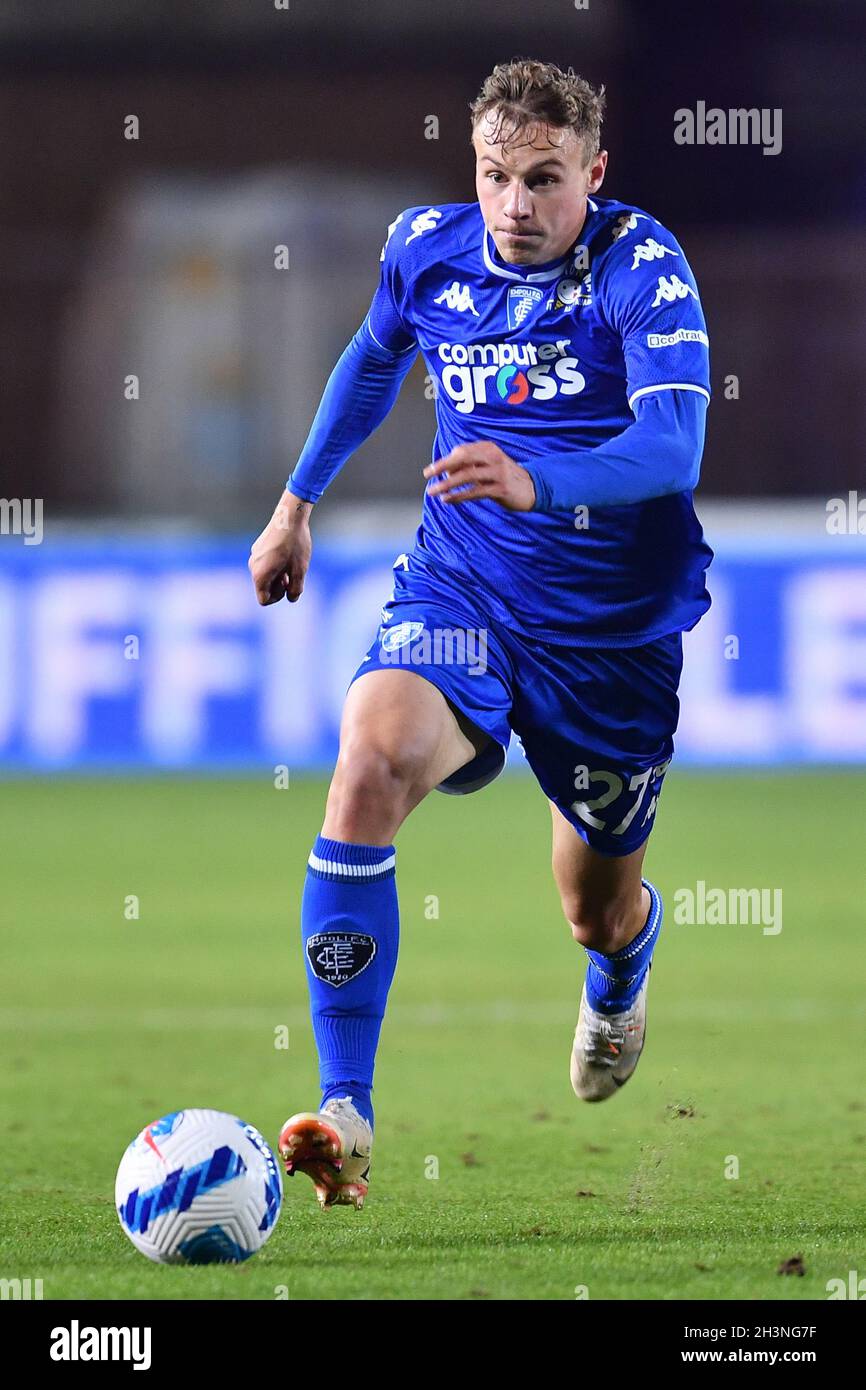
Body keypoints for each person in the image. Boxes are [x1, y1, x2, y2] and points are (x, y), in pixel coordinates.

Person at [249, 57, 713, 1211]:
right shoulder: (427, 247)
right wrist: (295, 500)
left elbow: (672, 452)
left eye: (543, 180)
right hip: (464, 593)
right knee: (365, 763)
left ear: (591, 174)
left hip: (608, 636)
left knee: (589, 904)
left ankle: (620, 967)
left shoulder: (640, 267)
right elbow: (372, 358)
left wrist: (535, 480)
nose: (514, 206)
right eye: (496, 176)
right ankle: (346, 1109)